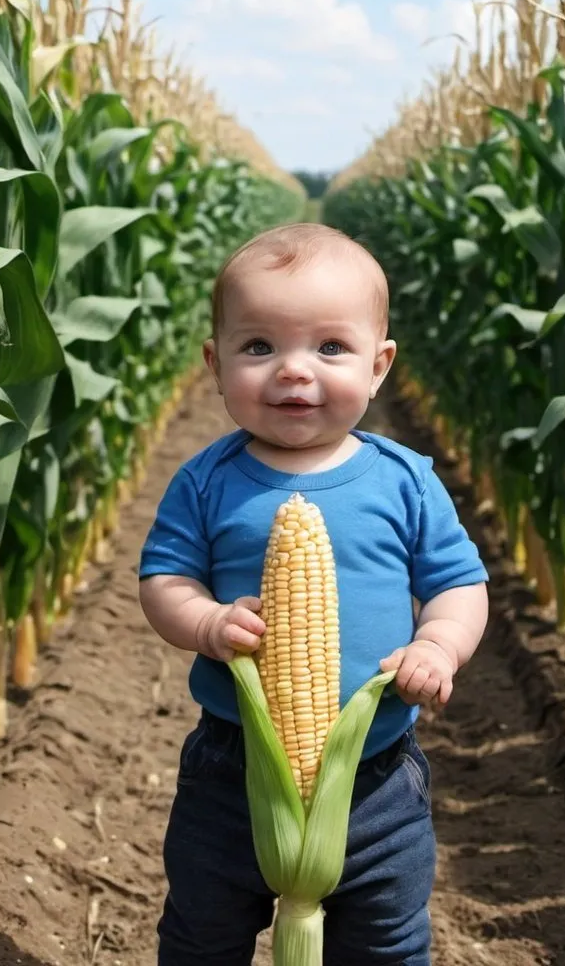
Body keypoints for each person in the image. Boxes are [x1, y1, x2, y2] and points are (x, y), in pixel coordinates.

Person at [138, 222, 489, 965]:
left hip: (376, 780)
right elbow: (164, 581)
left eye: (330, 348)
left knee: (387, 942)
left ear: (379, 365)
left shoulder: (406, 482)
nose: (294, 371)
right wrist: (205, 622)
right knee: (201, 936)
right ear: (214, 362)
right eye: (259, 346)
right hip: (232, 771)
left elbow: (458, 584)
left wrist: (438, 643)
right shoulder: (206, 481)